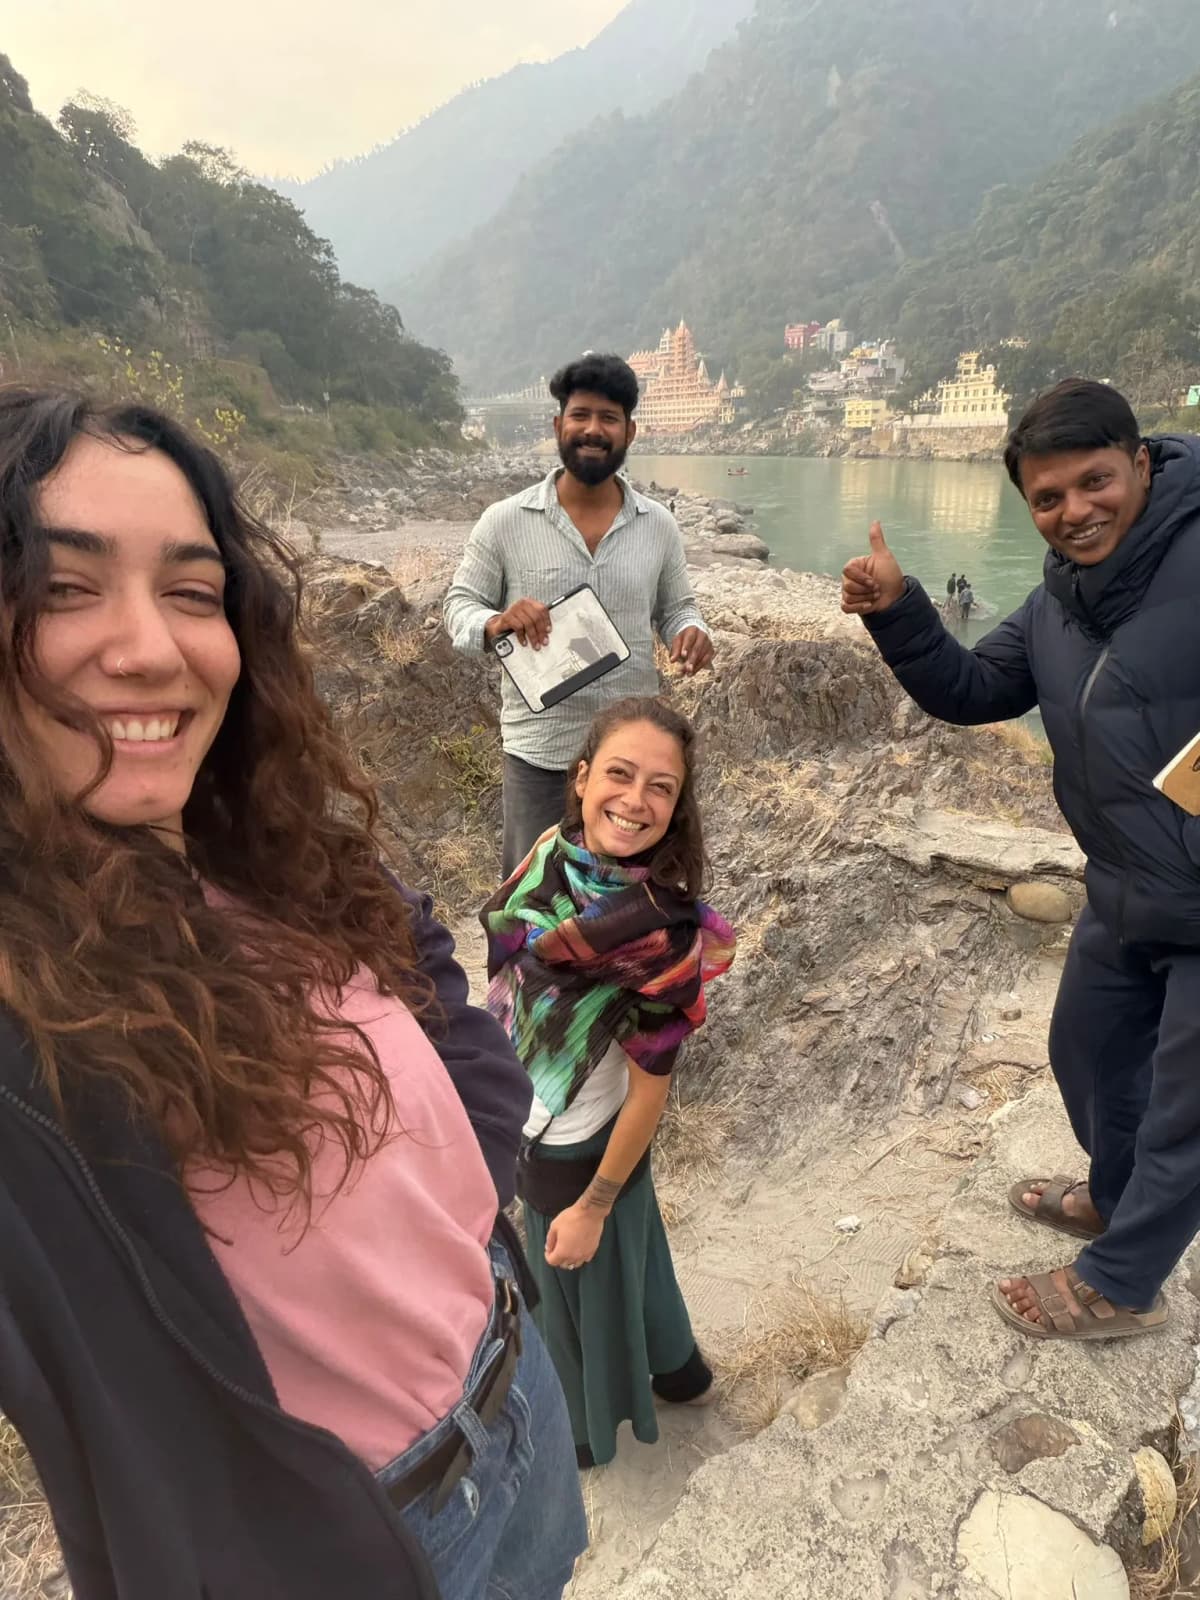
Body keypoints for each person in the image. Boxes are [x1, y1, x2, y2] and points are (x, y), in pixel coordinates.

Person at [0, 389, 587, 1600]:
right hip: (358, 1543)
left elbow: (445, 994)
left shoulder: (270, 847)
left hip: (515, 1395)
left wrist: (473, 1203)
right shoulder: (25, 998)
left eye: (192, 589)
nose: (151, 646)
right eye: (64, 588)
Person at [841, 378, 1200, 1343]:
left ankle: (1123, 1283)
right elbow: (974, 688)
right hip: (1125, 889)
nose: (1076, 512)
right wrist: (901, 611)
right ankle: (1116, 1198)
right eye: (1048, 499)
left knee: (1185, 1113)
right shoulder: (1058, 601)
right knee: (1083, 1056)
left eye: (1095, 483)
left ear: (1140, 462)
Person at [479, 697, 735, 1467]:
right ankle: (682, 1373)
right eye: (619, 775)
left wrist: (591, 1203)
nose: (636, 800)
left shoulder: (659, 931)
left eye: (661, 787)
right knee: (637, 1253)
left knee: (575, 1298)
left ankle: (583, 1441)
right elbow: (508, 970)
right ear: (582, 778)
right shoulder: (550, 854)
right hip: (540, 1115)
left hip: (581, 1144)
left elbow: (652, 1087)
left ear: (678, 805)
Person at [444, 353, 713, 877]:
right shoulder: (504, 521)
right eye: (581, 415)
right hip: (540, 756)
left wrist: (691, 631)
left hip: (629, 765)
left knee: (629, 907)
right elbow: (459, 608)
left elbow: (677, 607)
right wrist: (496, 622)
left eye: (608, 418)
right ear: (558, 425)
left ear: (630, 430)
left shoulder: (657, 525)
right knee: (530, 905)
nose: (594, 430)